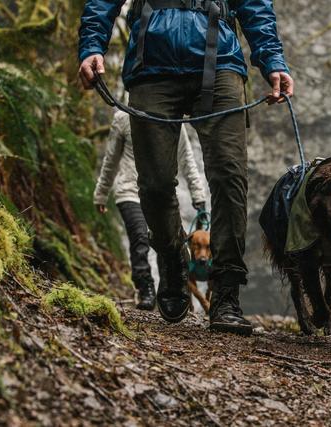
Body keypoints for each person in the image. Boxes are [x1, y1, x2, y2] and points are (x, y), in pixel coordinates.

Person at [79, 0, 293, 335]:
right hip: (151, 65)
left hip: (220, 62)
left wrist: (273, 61)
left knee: (230, 177)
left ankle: (226, 293)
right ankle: (172, 261)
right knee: (154, 183)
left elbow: (254, 4)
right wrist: (92, 45)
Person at [94, 108, 206, 310]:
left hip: (160, 196)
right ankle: (145, 288)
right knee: (140, 237)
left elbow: (187, 159)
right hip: (129, 190)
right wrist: (101, 193)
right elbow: (111, 158)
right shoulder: (122, 118)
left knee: (166, 239)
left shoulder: (173, 117)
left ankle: (169, 289)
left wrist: (198, 195)